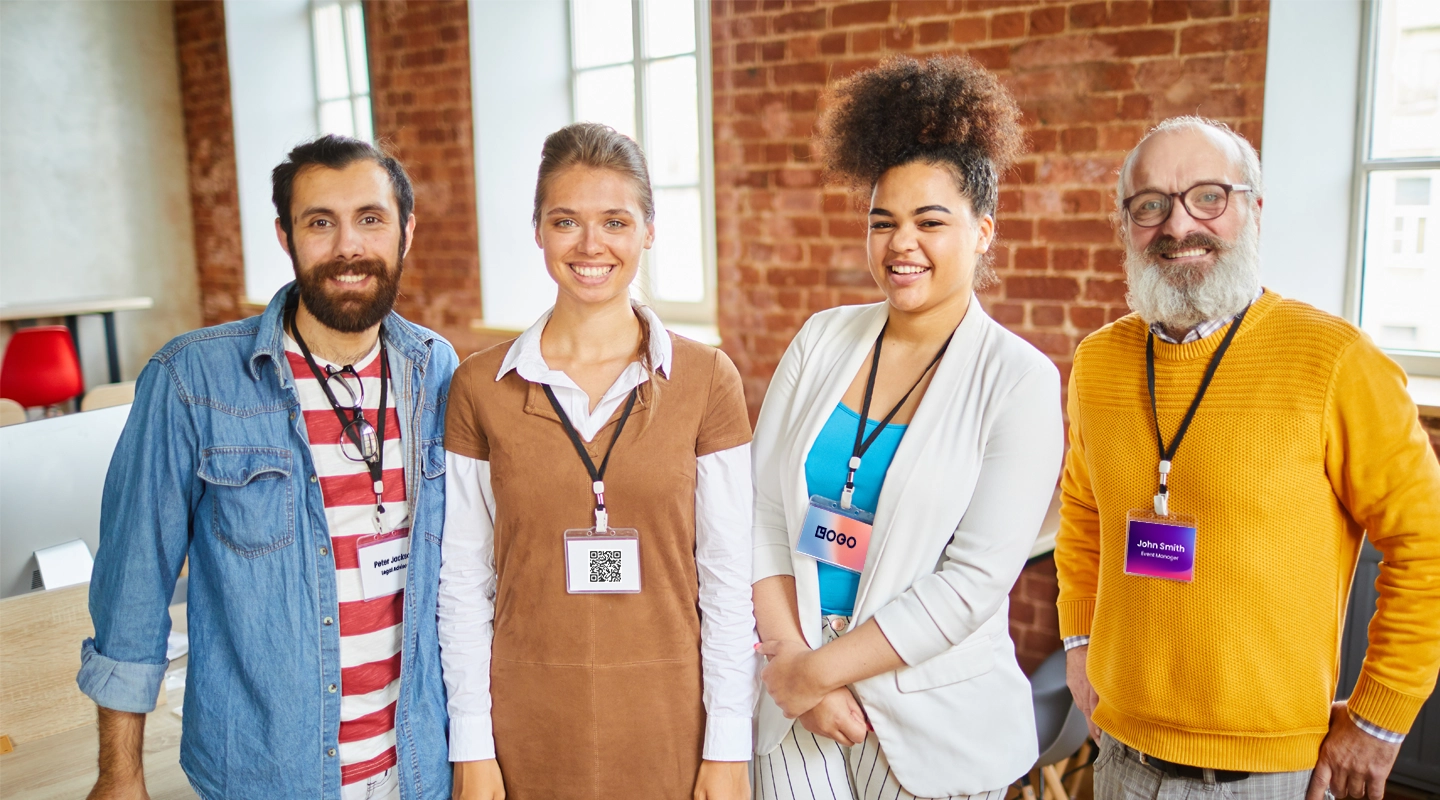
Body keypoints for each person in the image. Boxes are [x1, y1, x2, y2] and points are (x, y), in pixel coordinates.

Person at [1055, 116, 1440, 800]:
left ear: (1254, 211)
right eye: (1150, 205)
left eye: (1209, 197)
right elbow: (1084, 517)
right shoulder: (1097, 362)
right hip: (1118, 755)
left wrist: (1380, 719)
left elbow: (1427, 545)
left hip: (1265, 776)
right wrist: (1080, 645)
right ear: (1126, 226)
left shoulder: (1336, 361)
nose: (1179, 226)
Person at [79, 135, 457, 800]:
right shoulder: (191, 379)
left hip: (419, 767)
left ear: (407, 233)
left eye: (371, 219)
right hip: (265, 776)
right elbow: (132, 588)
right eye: (320, 222)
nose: (348, 247)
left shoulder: (437, 370)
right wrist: (120, 774)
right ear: (284, 235)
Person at [750, 56, 1064, 800]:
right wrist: (792, 663)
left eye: (931, 221)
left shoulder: (1018, 380)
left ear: (983, 231)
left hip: (932, 718)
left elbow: (971, 585)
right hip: (796, 699)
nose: (901, 245)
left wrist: (812, 673)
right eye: (882, 222)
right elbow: (759, 511)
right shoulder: (821, 339)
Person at [438, 122, 756, 800]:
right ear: (538, 231)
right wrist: (472, 745)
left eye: (615, 221)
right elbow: (462, 584)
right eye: (566, 221)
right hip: (524, 725)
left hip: (675, 726)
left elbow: (728, 579)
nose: (591, 246)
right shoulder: (477, 387)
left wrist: (729, 746)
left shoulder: (707, 380)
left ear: (647, 230)